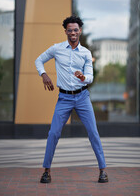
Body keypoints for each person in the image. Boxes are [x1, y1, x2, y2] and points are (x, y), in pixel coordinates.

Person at [35, 16, 108, 184]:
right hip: (64, 98)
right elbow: (39, 60)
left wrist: (83, 77)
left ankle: (103, 170)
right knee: (53, 133)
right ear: (66, 31)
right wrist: (44, 74)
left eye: (76, 30)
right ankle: (46, 171)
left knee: (93, 133)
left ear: (80, 31)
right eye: (70, 30)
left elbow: (90, 76)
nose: (73, 32)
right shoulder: (56, 49)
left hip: (82, 97)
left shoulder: (86, 53)